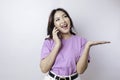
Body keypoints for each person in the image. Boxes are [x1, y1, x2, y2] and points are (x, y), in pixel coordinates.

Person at [40, 8, 110, 80]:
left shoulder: (81, 41)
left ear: (69, 19)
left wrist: (87, 47)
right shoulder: (49, 41)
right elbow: (44, 69)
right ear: (54, 25)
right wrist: (57, 45)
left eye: (65, 16)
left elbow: (80, 70)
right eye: (58, 19)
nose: (63, 20)